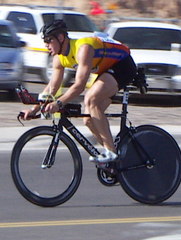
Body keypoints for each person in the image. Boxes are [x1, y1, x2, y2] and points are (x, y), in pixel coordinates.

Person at [22, 19, 137, 164]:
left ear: (61, 38)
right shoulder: (59, 58)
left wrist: (58, 103)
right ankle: (116, 160)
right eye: (45, 41)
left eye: (49, 40)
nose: (46, 45)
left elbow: (79, 86)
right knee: (88, 119)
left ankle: (111, 152)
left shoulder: (83, 49)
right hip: (106, 71)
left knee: (91, 99)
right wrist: (34, 109)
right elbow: (52, 87)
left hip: (123, 65)